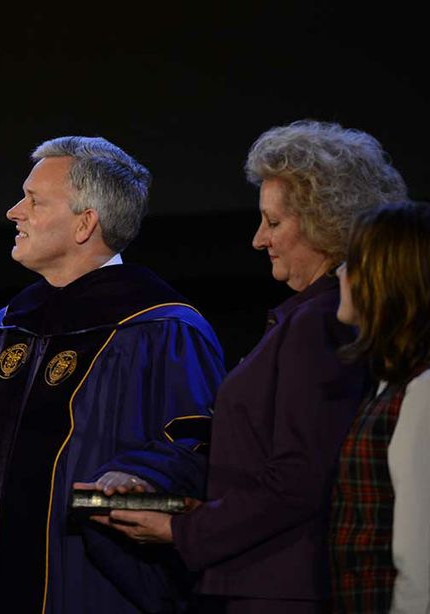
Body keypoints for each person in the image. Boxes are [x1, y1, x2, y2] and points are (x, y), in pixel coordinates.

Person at [0, 135, 227, 613]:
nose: (13, 212)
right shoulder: (10, 330)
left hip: (95, 589)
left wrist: (140, 477)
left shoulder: (161, 329)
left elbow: (198, 446)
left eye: (34, 200)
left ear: (85, 223)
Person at [96, 120, 408, 612]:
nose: (259, 240)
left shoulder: (321, 321)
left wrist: (183, 527)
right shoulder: (305, 319)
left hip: (278, 588)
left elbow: (301, 479)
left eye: (274, 222)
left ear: (325, 221)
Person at [331, 201, 430, 613]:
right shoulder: (390, 387)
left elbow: (420, 567)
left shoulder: (421, 393)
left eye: (351, 262)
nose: (339, 273)